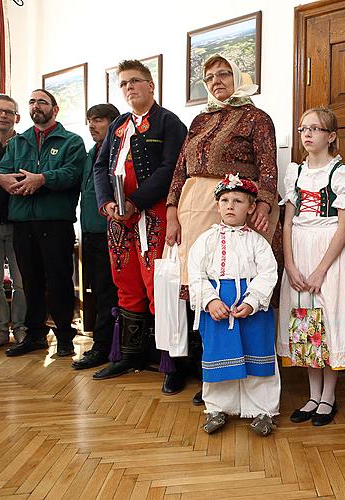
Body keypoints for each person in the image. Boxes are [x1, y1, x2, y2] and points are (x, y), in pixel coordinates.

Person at [166, 53, 282, 406]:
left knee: (236, 284)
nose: (216, 81)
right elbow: (179, 168)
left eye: (224, 74)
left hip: (238, 206)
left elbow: (268, 164)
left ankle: (246, 376)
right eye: (210, 76)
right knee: (201, 289)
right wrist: (172, 210)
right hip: (194, 207)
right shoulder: (199, 120)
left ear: (239, 76)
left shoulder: (257, 118)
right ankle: (210, 373)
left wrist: (262, 203)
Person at [92, 60, 188, 394]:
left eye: (135, 81)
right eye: (123, 83)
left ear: (151, 85)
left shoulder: (169, 122)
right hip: (118, 219)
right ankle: (129, 355)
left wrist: (136, 200)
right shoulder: (118, 123)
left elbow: (172, 169)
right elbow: (100, 167)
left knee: (158, 286)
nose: (129, 87)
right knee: (126, 283)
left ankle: (171, 363)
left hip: (154, 215)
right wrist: (106, 202)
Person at [277, 107, 345, 426]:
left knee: (327, 320)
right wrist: (291, 265)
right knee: (305, 322)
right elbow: (287, 225)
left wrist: (320, 270)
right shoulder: (294, 173)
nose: (307, 134)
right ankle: (313, 395)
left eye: (315, 128)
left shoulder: (341, 174)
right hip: (299, 248)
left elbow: (343, 228)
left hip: (329, 253)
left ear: (331, 136)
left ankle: (329, 396)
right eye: (302, 129)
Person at [0, 89, 85, 357]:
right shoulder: (19, 143)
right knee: (29, 281)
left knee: (59, 280)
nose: (35, 105)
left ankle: (65, 335)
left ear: (55, 109)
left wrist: (41, 178)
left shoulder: (72, 141)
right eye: (31, 101)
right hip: (22, 222)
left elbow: (72, 174)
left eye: (42, 101)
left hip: (55, 221)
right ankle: (34, 335)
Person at [188, 175, 278, 435]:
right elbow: (196, 273)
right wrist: (210, 300)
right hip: (218, 309)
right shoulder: (205, 241)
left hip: (251, 310)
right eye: (225, 200)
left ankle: (263, 409)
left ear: (250, 207)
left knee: (258, 357)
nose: (230, 205)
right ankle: (217, 407)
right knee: (220, 355)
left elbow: (268, 273)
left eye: (238, 201)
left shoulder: (258, 242)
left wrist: (252, 302)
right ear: (217, 206)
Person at [73, 103, 121, 370]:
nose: (92, 125)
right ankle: (103, 344)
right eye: (89, 120)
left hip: (111, 234)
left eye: (99, 120)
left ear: (113, 123)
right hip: (89, 233)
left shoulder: (118, 151)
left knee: (108, 294)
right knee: (97, 292)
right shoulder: (91, 153)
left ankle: (104, 348)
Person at [0, 94, 26, 351]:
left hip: (20, 223)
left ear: (17, 117)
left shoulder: (24, 144)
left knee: (22, 281)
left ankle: (21, 327)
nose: (3, 115)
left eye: (9, 112)